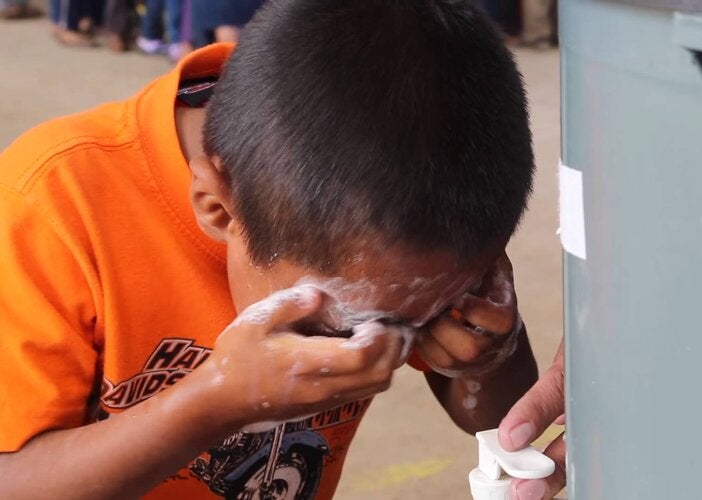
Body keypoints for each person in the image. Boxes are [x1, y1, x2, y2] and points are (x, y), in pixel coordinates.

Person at [0, 1, 563, 498]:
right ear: (217, 208)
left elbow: (497, 419)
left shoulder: (405, 230)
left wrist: (490, 358)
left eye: (421, 316)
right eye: (343, 323)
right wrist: (216, 401)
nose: (374, 342)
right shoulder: (52, 203)